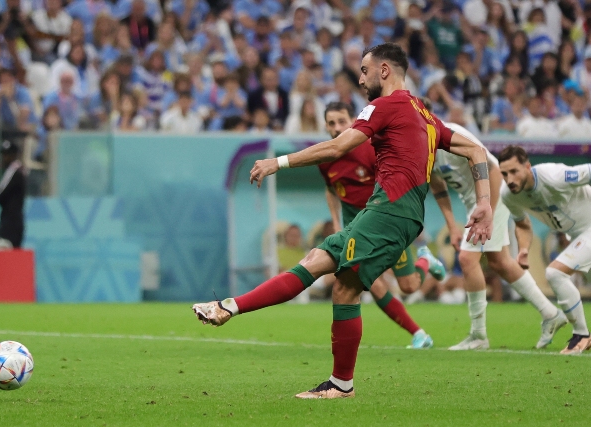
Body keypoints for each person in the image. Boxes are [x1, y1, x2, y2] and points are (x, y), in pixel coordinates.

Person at [193, 43, 493, 398]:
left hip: (390, 211)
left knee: (344, 286)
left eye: (365, 71)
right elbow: (476, 149)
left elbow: (337, 147)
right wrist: (484, 201)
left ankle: (340, 384)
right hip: (399, 214)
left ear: (384, 70)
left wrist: (279, 162)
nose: (361, 79)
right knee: (319, 263)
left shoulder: (385, 105)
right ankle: (230, 307)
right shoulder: (424, 113)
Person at [424, 101, 566, 351]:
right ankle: (550, 313)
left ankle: (478, 336)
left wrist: (487, 209)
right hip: (475, 204)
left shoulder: (453, 134)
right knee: (500, 262)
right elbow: (438, 187)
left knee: (467, 260)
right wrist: (453, 227)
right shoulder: (420, 148)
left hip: (492, 194)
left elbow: (493, 169)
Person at [316, 101, 445, 349]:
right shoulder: (326, 157)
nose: (336, 128)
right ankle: (419, 334)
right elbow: (330, 190)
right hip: (355, 228)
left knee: (408, 286)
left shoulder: (370, 149)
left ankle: (425, 260)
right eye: (331, 123)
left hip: (385, 223)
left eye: (342, 121)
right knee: (371, 284)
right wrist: (335, 222)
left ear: (353, 120)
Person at [499, 146, 591, 355]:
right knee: (557, 273)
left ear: (528, 167)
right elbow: (522, 224)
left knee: (555, 273)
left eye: (514, 171)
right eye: (504, 174)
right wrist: (523, 249)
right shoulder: (509, 195)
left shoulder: (554, 175)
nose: (509, 179)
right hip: (578, 234)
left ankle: (581, 335)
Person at [0, 140, 25, 248]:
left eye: (8, 155)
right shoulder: (12, 171)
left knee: (6, 251)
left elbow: (0, 196)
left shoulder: (14, 172)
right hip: (9, 219)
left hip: (11, 221)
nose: (4, 158)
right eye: (4, 155)